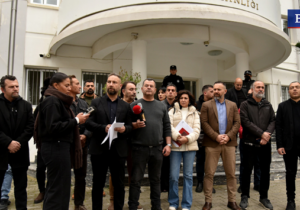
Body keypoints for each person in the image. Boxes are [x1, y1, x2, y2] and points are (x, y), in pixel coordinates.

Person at [35, 72, 89, 210]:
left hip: (59, 148)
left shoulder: (56, 100)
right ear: (55, 85)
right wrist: (76, 120)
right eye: (66, 85)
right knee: (58, 189)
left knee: (60, 187)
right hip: (55, 148)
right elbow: (53, 127)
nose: (69, 89)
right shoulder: (52, 101)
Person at [86, 73, 132, 210]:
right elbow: (88, 122)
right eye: (109, 82)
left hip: (118, 151)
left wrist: (125, 129)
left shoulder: (125, 106)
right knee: (98, 184)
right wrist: (103, 128)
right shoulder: (96, 102)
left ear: (120, 86)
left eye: (114, 82)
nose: (111, 84)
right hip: (99, 149)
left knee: (119, 184)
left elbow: (130, 126)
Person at [128, 78, 171, 210]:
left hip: (157, 148)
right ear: (142, 89)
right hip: (138, 148)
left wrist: (168, 145)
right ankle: (133, 206)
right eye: (146, 86)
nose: (148, 88)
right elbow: (127, 126)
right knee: (136, 180)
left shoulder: (162, 106)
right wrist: (134, 125)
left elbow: (167, 126)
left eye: (151, 86)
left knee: (156, 180)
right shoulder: (134, 105)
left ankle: (156, 206)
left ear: (155, 90)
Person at [200, 81, 240, 210]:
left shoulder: (233, 105)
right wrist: (216, 136)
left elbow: (237, 122)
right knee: (209, 173)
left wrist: (228, 136)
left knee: (231, 174)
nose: (216, 91)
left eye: (218, 89)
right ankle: (208, 201)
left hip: (229, 144)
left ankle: (232, 201)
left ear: (225, 91)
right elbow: (204, 123)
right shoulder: (206, 105)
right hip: (212, 143)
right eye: (214, 89)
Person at [239, 81, 275, 210]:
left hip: (265, 144)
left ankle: (264, 197)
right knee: (246, 170)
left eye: (262, 87)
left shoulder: (267, 104)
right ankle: (244, 196)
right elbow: (245, 122)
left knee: (265, 171)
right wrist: (261, 134)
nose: (260, 89)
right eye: (258, 87)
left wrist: (267, 134)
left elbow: (273, 120)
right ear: (252, 89)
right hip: (249, 144)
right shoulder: (244, 104)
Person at [0, 75, 34, 210]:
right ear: (3, 89)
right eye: (11, 87)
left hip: (20, 152)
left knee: (21, 189)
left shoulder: (25, 105)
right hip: (1, 152)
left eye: (17, 86)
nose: (15, 89)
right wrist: (8, 143)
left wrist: (17, 143)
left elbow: (30, 127)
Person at [107, 81, 142, 210]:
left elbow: (141, 121)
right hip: (118, 143)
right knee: (114, 174)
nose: (134, 92)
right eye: (131, 89)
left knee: (133, 173)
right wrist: (131, 126)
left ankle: (133, 201)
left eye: (135, 90)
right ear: (123, 91)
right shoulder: (116, 104)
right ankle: (112, 200)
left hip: (134, 143)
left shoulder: (138, 105)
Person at [225, 78, 261, 193]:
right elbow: (240, 123)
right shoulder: (242, 107)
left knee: (258, 162)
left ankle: (258, 183)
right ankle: (243, 184)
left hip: (258, 138)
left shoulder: (261, 106)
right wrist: (241, 134)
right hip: (245, 138)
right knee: (245, 164)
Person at [168, 90, 200, 210]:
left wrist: (187, 139)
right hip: (175, 147)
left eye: (186, 98)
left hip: (190, 147)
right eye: (181, 98)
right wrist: (177, 137)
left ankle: (186, 204)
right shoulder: (172, 111)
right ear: (178, 99)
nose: (183, 100)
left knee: (188, 176)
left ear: (190, 100)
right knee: (173, 176)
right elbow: (168, 126)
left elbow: (197, 130)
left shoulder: (195, 113)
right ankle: (173, 203)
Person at [69, 75, 92, 210]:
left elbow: (90, 122)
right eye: (77, 84)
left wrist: (86, 135)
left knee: (81, 176)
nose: (80, 86)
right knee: (65, 176)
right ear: (69, 86)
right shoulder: (63, 103)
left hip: (82, 145)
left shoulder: (83, 103)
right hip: (67, 145)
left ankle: (79, 203)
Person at [276, 81, 300, 210]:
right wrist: (279, 145)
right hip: (289, 146)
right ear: (289, 91)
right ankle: (291, 201)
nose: (294, 89)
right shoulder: (282, 106)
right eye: (292, 88)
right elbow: (278, 127)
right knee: (290, 174)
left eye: (297, 87)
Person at [195, 85, 215, 193]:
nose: (214, 93)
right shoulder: (196, 105)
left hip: (211, 138)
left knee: (210, 162)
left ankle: (209, 184)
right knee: (200, 161)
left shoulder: (215, 104)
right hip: (199, 139)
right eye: (212, 91)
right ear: (205, 93)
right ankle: (200, 182)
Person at [33, 77, 51, 204]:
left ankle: (49, 191)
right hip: (42, 141)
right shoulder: (42, 101)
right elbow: (35, 121)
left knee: (51, 169)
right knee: (40, 168)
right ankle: (42, 191)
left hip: (55, 142)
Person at [161, 84, 177, 193]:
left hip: (177, 139)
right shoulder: (160, 105)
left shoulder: (180, 106)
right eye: (168, 90)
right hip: (163, 139)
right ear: (165, 93)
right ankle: (164, 186)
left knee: (174, 165)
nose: (170, 92)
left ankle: (172, 187)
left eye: (173, 90)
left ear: (176, 93)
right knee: (164, 164)